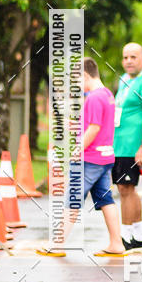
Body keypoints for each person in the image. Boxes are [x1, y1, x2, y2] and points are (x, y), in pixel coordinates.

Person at [37, 58, 125, 257]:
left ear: (84, 75)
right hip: (105, 156)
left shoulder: (93, 97)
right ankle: (116, 244)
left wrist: (77, 150)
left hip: (91, 158)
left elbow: (94, 128)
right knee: (106, 200)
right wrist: (75, 125)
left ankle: (57, 244)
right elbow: (98, 125)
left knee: (72, 198)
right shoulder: (107, 95)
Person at [112, 43, 142, 251]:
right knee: (126, 189)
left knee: (126, 188)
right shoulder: (125, 80)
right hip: (120, 145)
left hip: (133, 146)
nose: (129, 61)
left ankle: (126, 235)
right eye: (125, 57)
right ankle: (139, 236)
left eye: (133, 57)